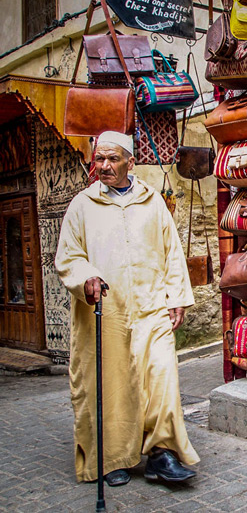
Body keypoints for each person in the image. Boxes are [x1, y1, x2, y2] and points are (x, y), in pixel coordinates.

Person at [55, 131, 199, 487]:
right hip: (106, 311)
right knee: (111, 386)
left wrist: (177, 296)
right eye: (99, 160)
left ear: (130, 163)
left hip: (152, 308)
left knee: (162, 379)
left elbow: (172, 252)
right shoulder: (82, 206)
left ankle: (161, 454)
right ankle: (112, 457)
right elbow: (69, 256)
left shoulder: (152, 202)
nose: (103, 166)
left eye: (112, 159)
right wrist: (86, 277)